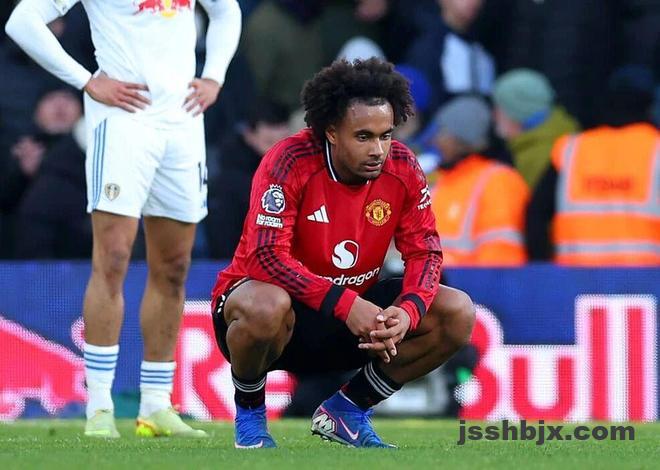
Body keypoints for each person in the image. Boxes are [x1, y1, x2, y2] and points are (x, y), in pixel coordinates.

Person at [5, 0, 241, 438]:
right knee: (112, 259)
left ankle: (156, 404)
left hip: (183, 123)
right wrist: (86, 80)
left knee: (174, 266)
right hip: (123, 123)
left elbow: (226, 10)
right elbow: (22, 21)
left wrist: (214, 76)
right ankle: (98, 406)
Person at [210, 58, 475, 448]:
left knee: (456, 312)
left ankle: (347, 411)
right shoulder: (291, 160)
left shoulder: (402, 166)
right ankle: (250, 415)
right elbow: (267, 257)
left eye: (385, 135)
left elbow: (426, 253)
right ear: (331, 132)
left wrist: (408, 311)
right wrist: (347, 304)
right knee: (266, 305)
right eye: (363, 136)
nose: (378, 149)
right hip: (279, 318)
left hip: (349, 318)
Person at [527, 65, 660, 264]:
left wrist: (544, 270)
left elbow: (536, 215)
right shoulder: (656, 149)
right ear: (650, 104)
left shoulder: (572, 149)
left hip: (576, 278)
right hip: (644, 279)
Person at [428, 96, 529, 266]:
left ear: (463, 140)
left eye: (444, 132)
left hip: (476, 282)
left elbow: (500, 256)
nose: (437, 140)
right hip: (434, 282)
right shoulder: (439, 182)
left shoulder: (498, 181)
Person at [492, 69, 579, 191]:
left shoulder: (538, 158)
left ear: (517, 113)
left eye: (499, 110)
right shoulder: (561, 136)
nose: (494, 116)